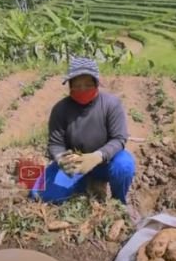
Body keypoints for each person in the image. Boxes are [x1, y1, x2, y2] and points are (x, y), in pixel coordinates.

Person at [30, 56, 135, 205]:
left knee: (124, 165)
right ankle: (83, 184)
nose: (82, 89)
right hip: (75, 165)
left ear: (96, 83)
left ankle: (118, 203)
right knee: (39, 194)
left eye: (87, 84)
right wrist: (61, 158)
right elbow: (55, 144)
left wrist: (97, 156)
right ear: (70, 85)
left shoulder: (111, 104)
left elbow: (119, 139)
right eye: (77, 85)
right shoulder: (61, 109)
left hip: (105, 162)